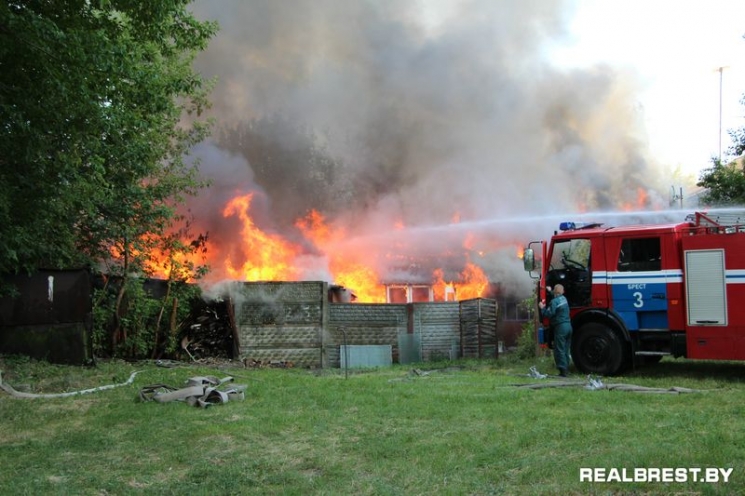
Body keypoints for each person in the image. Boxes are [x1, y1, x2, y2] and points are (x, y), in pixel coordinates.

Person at [539, 284, 573, 377]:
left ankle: (563, 371)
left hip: (561, 328)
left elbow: (549, 314)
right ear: (562, 291)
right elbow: (557, 299)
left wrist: (542, 308)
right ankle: (567, 368)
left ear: (555, 291)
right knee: (566, 349)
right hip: (569, 327)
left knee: (559, 349)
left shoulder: (554, 302)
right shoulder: (564, 299)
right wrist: (550, 291)